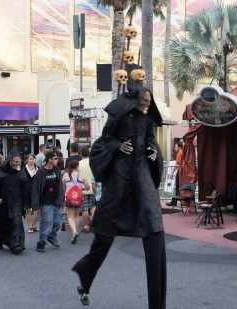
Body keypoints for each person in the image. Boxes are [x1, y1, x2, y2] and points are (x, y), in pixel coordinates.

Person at [72, 86, 166, 308]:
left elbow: (152, 142)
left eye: (149, 101)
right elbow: (104, 141)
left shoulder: (148, 121)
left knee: (155, 227)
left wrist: (153, 152)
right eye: (144, 101)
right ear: (135, 101)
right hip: (121, 176)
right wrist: (117, 145)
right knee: (104, 234)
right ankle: (85, 272)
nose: (147, 104)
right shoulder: (119, 117)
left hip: (141, 172)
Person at [32, 151, 65, 253]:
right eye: (55, 159)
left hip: (56, 201)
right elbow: (35, 189)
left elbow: (60, 186)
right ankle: (41, 242)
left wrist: (62, 199)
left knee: (58, 223)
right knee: (47, 221)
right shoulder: (41, 172)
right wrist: (35, 205)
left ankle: (51, 236)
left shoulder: (57, 170)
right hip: (45, 202)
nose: (57, 160)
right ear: (49, 160)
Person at [62, 160, 89, 244]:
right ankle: (76, 232)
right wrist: (82, 188)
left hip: (69, 198)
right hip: (79, 199)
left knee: (70, 217)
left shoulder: (66, 175)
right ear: (77, 166)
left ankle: (74, 232)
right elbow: (87, 187)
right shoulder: (82, 175)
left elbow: (64, 188)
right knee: (76, 216)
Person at [78, 146, 95, 233]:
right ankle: (96, 225)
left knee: (84, 208)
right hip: (93, 187)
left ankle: (86, 226)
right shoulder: (93, 162)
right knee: (92, 207)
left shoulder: (79, 164)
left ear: (81, 154)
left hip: (82, 188)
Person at [23, 154, 40, 233]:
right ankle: (30, 226)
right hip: (26, 191)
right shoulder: (23, 169)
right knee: (27, 209)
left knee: (38, 209)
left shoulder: (38, 168)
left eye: (33, 159)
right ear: (27, 160)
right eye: (30, 159)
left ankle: (34, 225)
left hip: (36, 191)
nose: (32, 160)